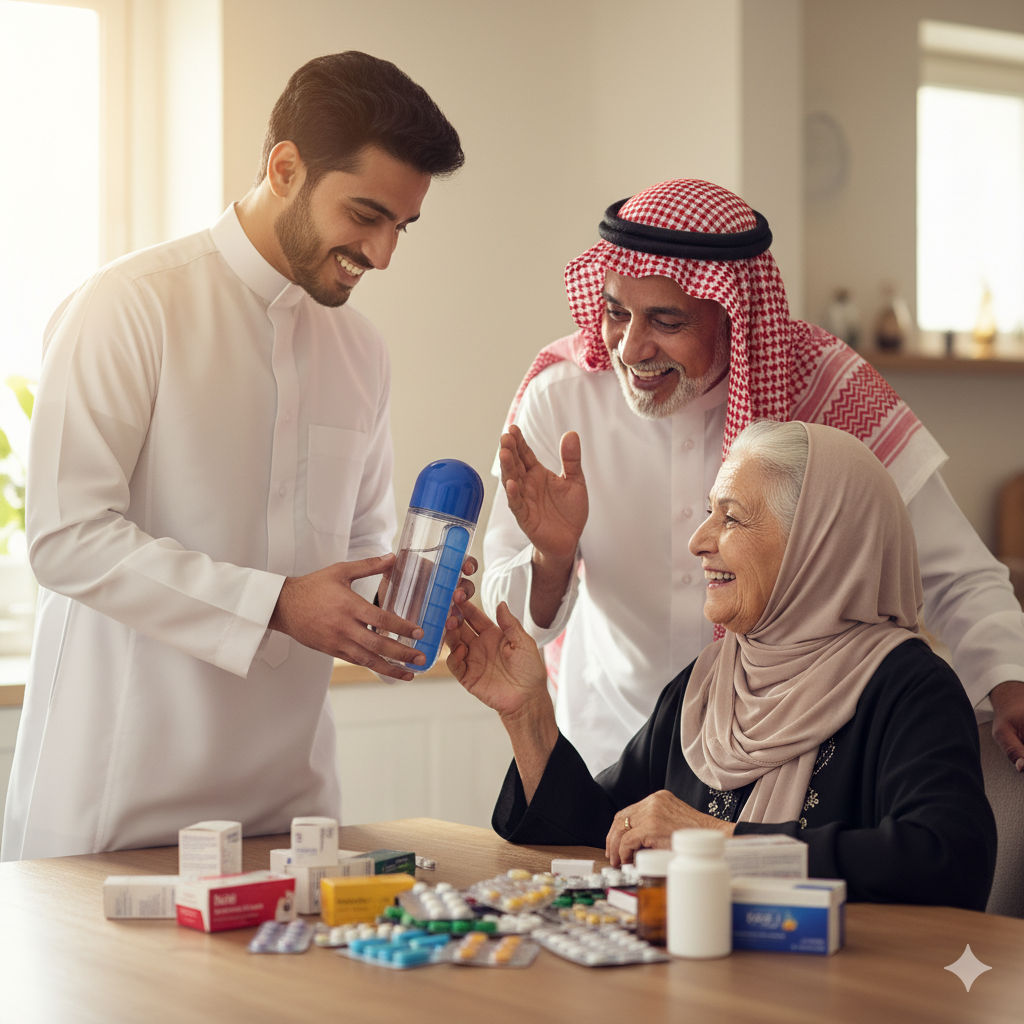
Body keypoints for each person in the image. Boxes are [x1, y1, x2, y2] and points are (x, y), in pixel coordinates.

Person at [2, 52, 469, 860]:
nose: (384, 253)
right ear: (284, 167)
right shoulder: (128, 307)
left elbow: (358, 547)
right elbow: (65, 539)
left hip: (294, 813)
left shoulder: (360, 349)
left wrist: (406, 600)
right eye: (366, 214)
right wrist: (278, 604)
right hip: (116, 810)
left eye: (402, 226)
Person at [482, 179, 1024, 775]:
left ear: (733, 315)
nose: (631, 348)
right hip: (605, 751)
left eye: (666, 320)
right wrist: (551, 562)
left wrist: (1009, 682)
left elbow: (954, 571)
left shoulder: (825, 388)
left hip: (778, 762)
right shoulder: (561, 396)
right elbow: (502, 609)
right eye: (615, 312)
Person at [451, 421, 997, 909]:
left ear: (817, 542)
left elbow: (944, 861)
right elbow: (603, 829)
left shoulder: (910, 688)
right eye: (708, 512)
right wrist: (528, 714)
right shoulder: (708, 682)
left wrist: (719, 844)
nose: (698, 540)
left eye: (730, 518)